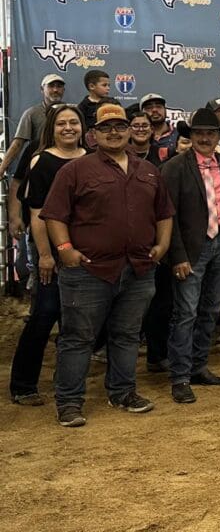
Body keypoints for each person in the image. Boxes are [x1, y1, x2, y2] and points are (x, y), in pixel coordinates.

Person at [41, 103, 173, 427]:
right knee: (78, 337)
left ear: (130, 130)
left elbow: (164, 213)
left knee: (127, 335)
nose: (113, 132)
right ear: (94, 134)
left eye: (119, 126)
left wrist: (163, 245)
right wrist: (64, 249)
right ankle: (69, 402)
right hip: (87, 270)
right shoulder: (75, 170)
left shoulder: (148, 171)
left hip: (138, 269)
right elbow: (55, 215)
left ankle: (123, 391)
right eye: (105, 128)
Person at [160, 108, 220, 405]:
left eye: (210, 133)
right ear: (190, 136)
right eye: (199, 133)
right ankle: (180, 376)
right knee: (186, 313)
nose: (205, 138)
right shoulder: (175, 167)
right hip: (190, 248)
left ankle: (197, 367)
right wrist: (177, 255)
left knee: (210, 309)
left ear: (219, 136)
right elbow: (168, 215)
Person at [9, 104, 88, 406]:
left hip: (84, 253)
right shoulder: (41, 161)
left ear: (82, 127)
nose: (68, 128)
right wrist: (45, 255)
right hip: (52, 253)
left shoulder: (91, 159)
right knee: (44, 314)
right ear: (51, 129)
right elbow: (37, 212)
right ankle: (23, 384)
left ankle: (65, 379)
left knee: (78, 320)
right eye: (61, 124)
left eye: (74, 123)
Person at [0, 73, 66, 178]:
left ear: (63, 90)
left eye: (59, 86)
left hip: (66, 165)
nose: (55, 90)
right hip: (41, 166)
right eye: (51, 86)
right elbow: (17, 144)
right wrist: (2, 168)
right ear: (42, 89)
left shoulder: (71, 112)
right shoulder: (32, 113)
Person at [140, 93, 178, 163]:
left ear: (165, 110)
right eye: (149, 108)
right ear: (141, 113)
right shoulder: (138, 137)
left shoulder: (179, 134)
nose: (154, 110)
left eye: (158, 106)